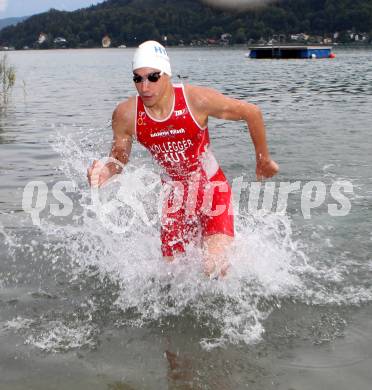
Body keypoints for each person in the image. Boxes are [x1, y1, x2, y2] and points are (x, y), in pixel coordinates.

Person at [87, 40, 279, 278]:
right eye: (138, 78)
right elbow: (119, 157)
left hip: (211, 189)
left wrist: (263, 159)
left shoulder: (195, 100)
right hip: (174, 197)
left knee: (213, 267)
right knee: (175, 274)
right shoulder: (126, 115)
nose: (144, 87)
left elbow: (252, 112)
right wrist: (106, 171)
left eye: (153, 77)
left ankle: (227, 247)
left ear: (166, 74)